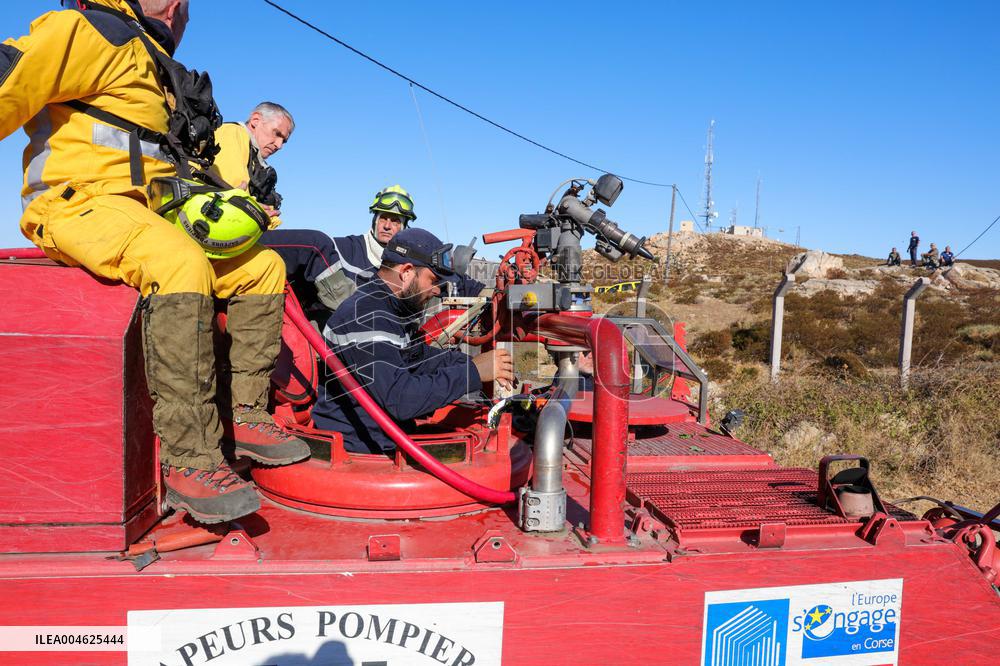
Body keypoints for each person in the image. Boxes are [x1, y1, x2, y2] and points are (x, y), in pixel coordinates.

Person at [1, 0, 307, 525]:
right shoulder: (86, 30)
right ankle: (192, 461)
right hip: (77, 203)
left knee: (264, 268)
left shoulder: (161, 70)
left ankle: (247, 411)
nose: (180, 9)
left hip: (149, 214)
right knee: (180, 262)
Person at [315, 228, 513, 453]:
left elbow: (414, 357)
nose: (437, 290)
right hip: (359, 448)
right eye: (433, 280)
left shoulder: (386, 305)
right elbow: (401, 399)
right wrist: (472, 372)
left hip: (381, 435)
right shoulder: (367, 316)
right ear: (407, 271)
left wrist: (464, 363)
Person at [263, 186, 485, 319]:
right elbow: (311, 250)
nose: (387, 226)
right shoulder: (344, 249)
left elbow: (448, 279)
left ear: (405, 226)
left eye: (395, 221)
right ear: (374, 220)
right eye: (383, 218)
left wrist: (487, 294)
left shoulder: (415, 259)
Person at [211, 101, 294, 222]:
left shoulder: (253, 157)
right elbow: (232, 193)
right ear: (255, 120)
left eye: (284, 141)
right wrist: (261, 213)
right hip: (212, 223)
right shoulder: (233, 133)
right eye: (277, 133)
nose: (279, 145)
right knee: (317, 240)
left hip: (229, 225)